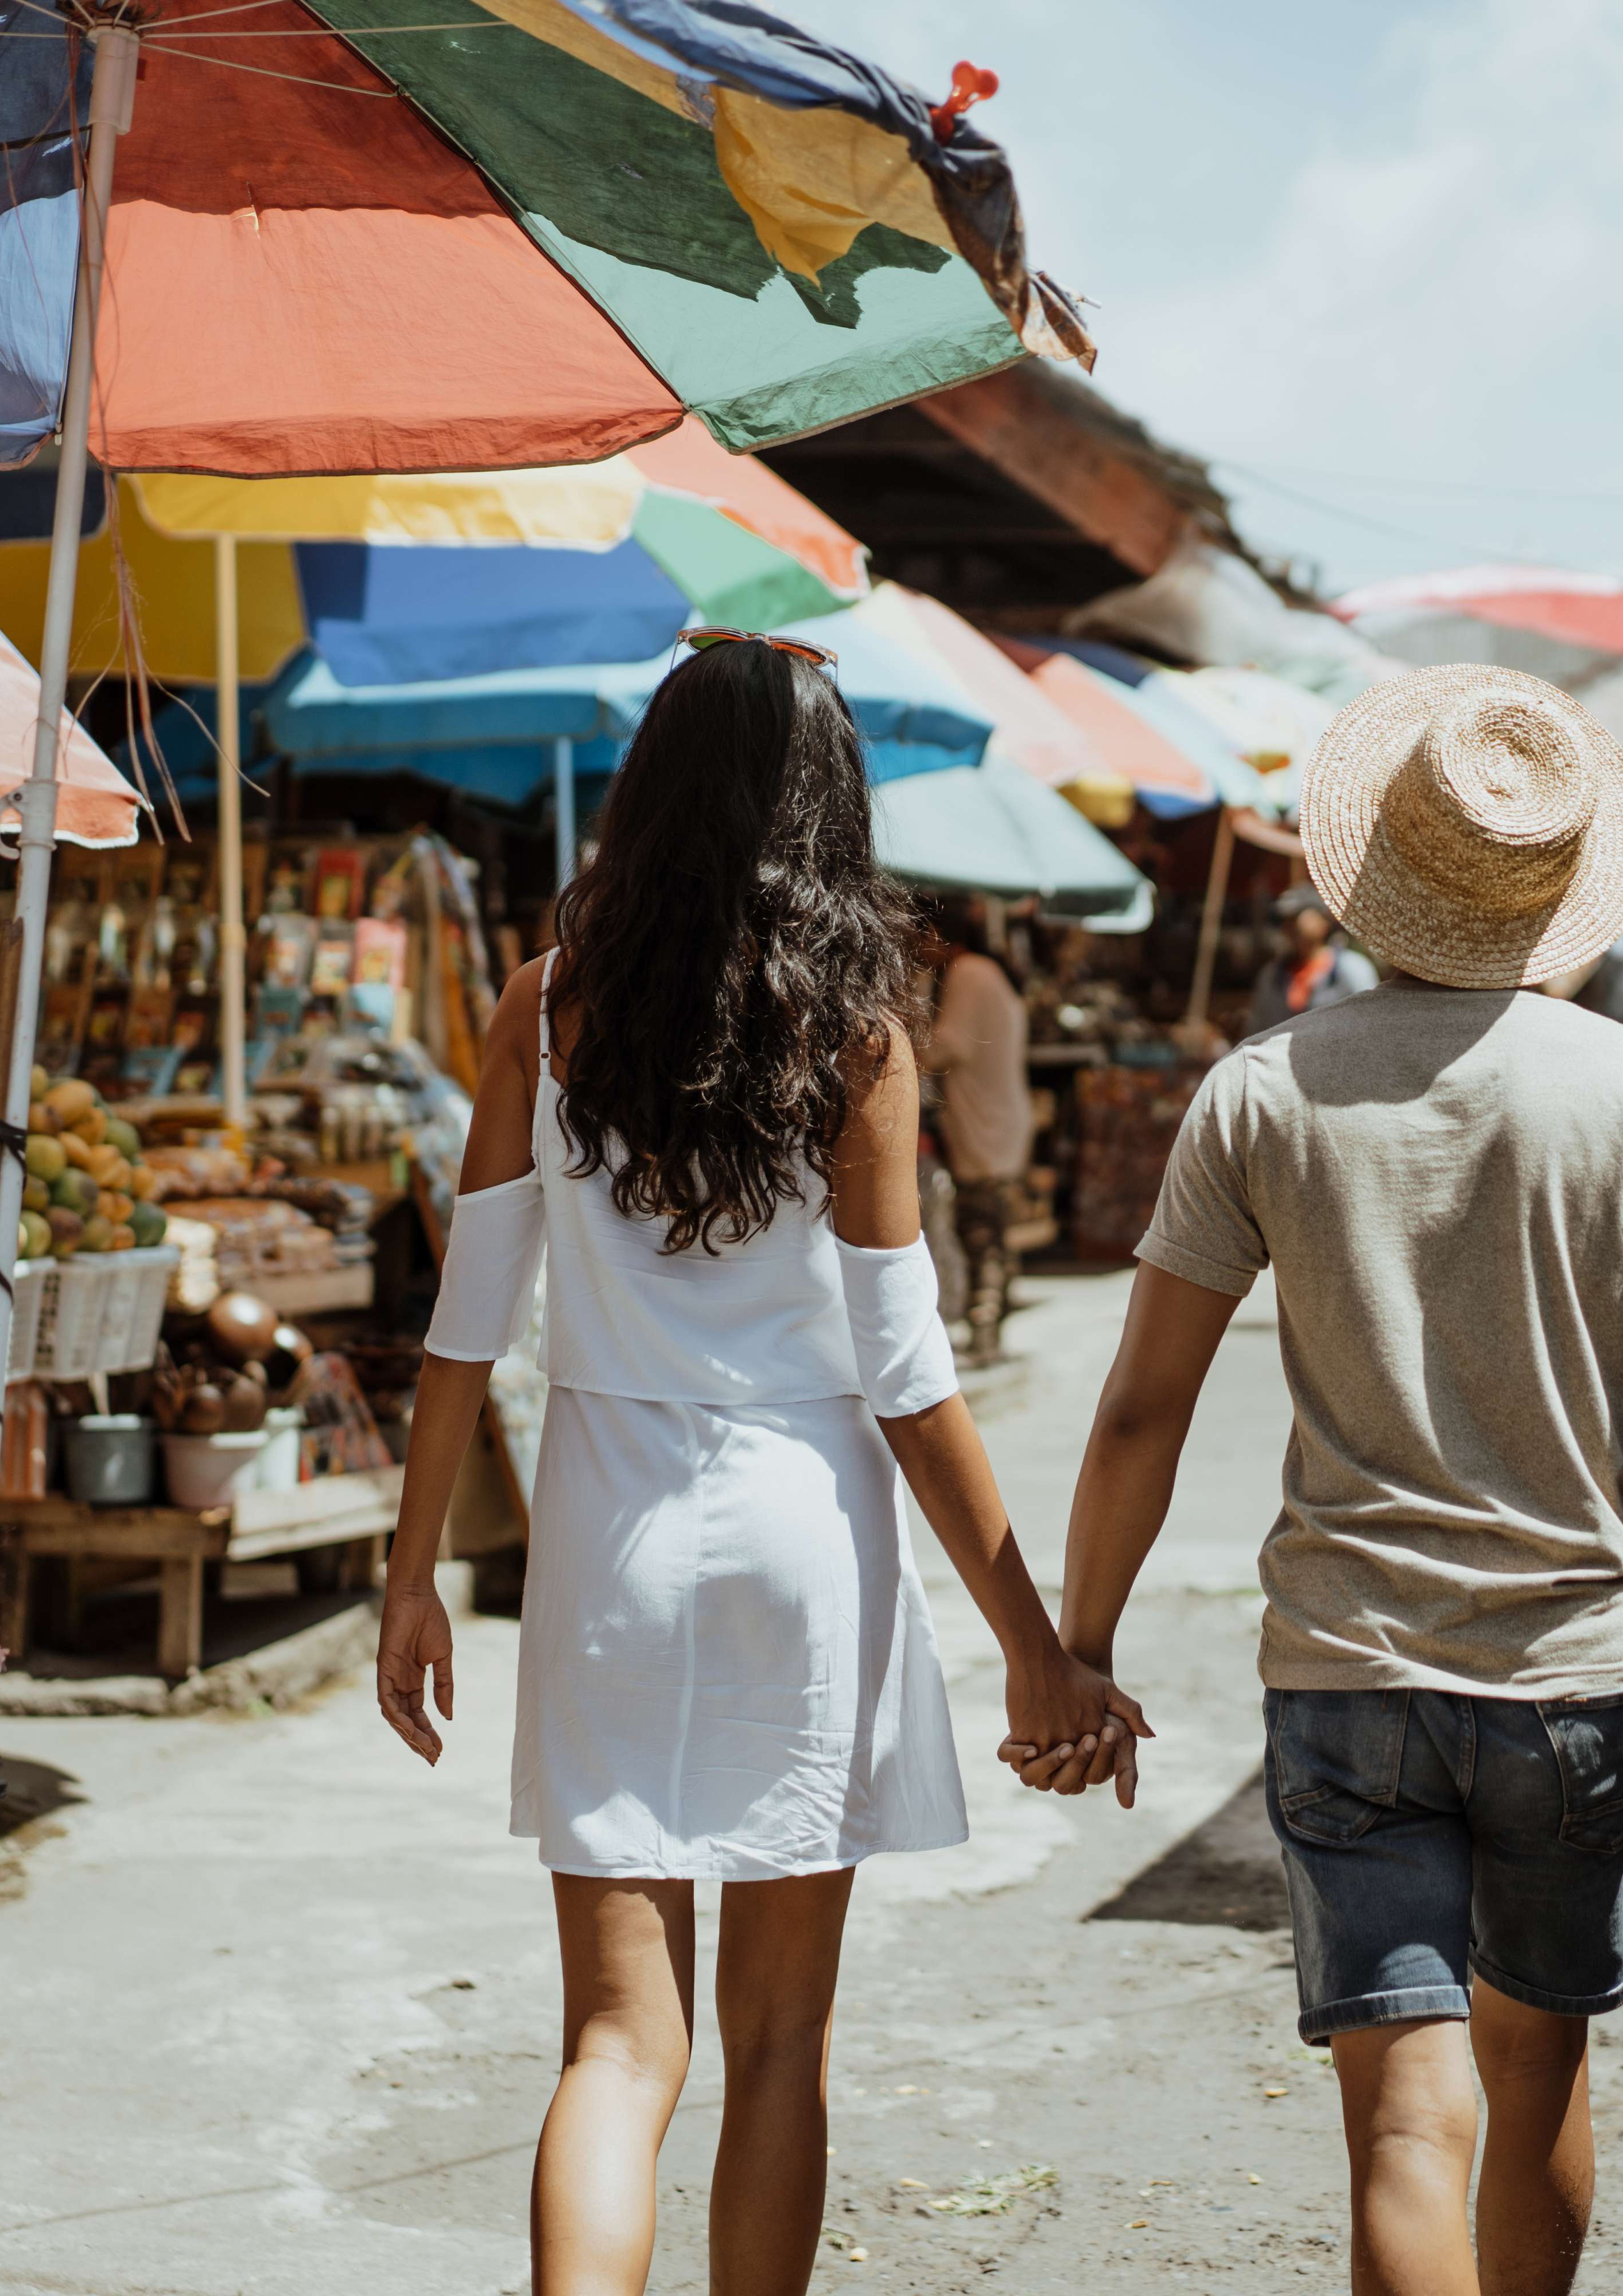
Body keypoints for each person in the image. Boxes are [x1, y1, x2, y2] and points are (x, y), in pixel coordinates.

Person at [378, 633, 1141, 2296]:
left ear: (652, 791)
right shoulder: (862, 1031)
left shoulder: (548, 1000)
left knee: (612, 2042)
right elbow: (908, 1373)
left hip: (603, 1529)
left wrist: (410, 1576)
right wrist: (1038, 1644)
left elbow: (464, 1321)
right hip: (808, 1537)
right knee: (779, 2050)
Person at [1014, 664, 1623, 2296]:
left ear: (1370, 872)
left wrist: (1083, 1644)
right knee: (1538, 2067)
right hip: (1575, 1677)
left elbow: (1142, 1408)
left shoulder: (1265, 1094)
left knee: (1405, 2122)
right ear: (1561, 888)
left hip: (1350, 1675)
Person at [921, 899, 1034, 1359]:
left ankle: (986, 1327)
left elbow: (946, 1048)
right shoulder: (983, 972)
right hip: (996, 1118)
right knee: (990, 1226)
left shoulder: (969, 975)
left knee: (981, 1229)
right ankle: (990, 1323)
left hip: (985, 1124)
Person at [1249, 883, 1377, 1035]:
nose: (1290, 926)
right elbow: (1256, 1030)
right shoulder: (1272, 975)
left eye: (1296, 918)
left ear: (1323, 921)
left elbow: (1372, 1021)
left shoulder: (1353, 968)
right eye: (1285, 920)